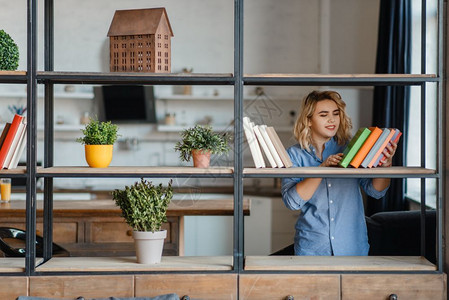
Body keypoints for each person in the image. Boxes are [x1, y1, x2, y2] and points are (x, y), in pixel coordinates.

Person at [281, 90, 397, 256]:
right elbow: (292, 202)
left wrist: (385, 165)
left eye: (336, 114)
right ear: (308, 121)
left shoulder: (351, 148)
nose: (332, 120)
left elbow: (376, 191)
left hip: (352, 246)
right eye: (323, 114)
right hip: (312, 248)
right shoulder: (293, 155)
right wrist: (322, 169)